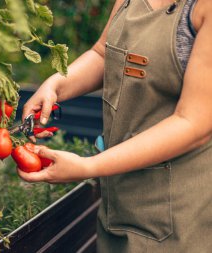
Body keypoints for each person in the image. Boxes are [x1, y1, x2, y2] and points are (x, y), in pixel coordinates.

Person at [18, 0, 212, 252]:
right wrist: (56, 84)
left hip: (179, 215)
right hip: (119, 201)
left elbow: (194, 123)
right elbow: (103, 54)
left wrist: (89, 166)